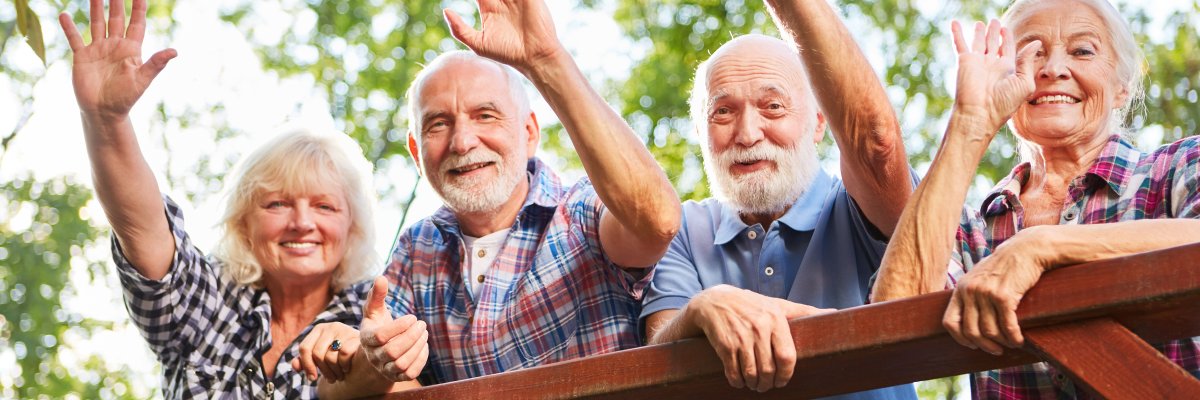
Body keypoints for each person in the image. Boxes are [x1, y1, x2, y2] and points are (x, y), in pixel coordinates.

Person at [309, 0, 681, 395]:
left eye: (485, 115)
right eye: (439, 124)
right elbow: (333, 390)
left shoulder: (581, 213)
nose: (463, 142)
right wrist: (373, 356)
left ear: (529, 133)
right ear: (417, 153)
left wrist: (547, 60)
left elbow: (658, 221)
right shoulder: (418, 248)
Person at [59, 0, 411, 397]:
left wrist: (369, 358)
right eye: (277, 204)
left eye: (324, 206)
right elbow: (141, 227)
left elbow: (406, 381)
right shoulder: (208, 301)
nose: (302, 223)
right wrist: (107, 122)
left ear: (353, 226)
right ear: (244, 221)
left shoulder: (376, 315)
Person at [870, 0, 1200, 397]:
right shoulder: (972, 231)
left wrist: (1041, 246)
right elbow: (889, 323)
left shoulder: (1180, 166)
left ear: (1122, 87)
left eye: (1082, 51)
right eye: (1031, 52)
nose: (1052, 69)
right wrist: (970, 120)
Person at [640, 0, 917, 397]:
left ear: (818, 124)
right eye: (723, 112)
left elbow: (876, 141)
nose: (747, 134)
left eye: (773, 107)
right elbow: (657, 358)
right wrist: (701, 308)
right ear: (700, 133)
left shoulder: (860, 205)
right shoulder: (682, 229)